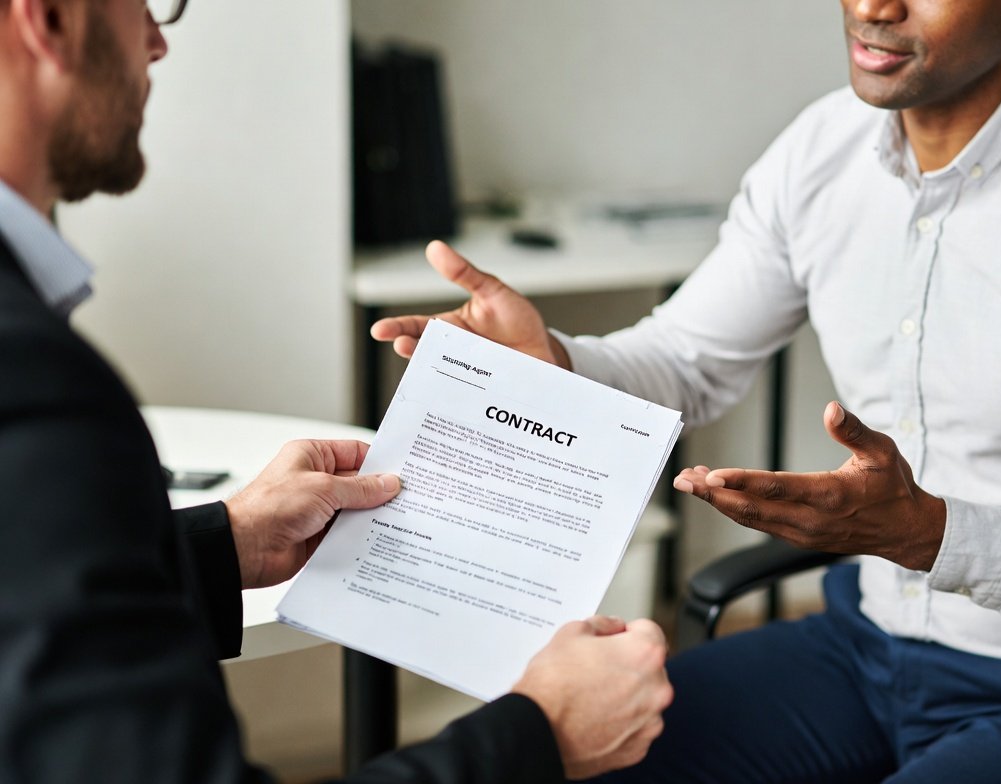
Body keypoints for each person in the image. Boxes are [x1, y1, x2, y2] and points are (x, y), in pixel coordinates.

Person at [370, 0, 1001, 780]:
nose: (872, 7)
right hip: (864, 642)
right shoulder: (821, 148)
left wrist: (929, 535)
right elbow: (688, 359)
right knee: (561, 758)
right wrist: (555, 362)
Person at [0, 0, 673, 782]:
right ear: (46, 19)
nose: (157, 43)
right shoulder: (34, 380)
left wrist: (229, 545)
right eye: (145, 8)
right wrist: (543, 735)